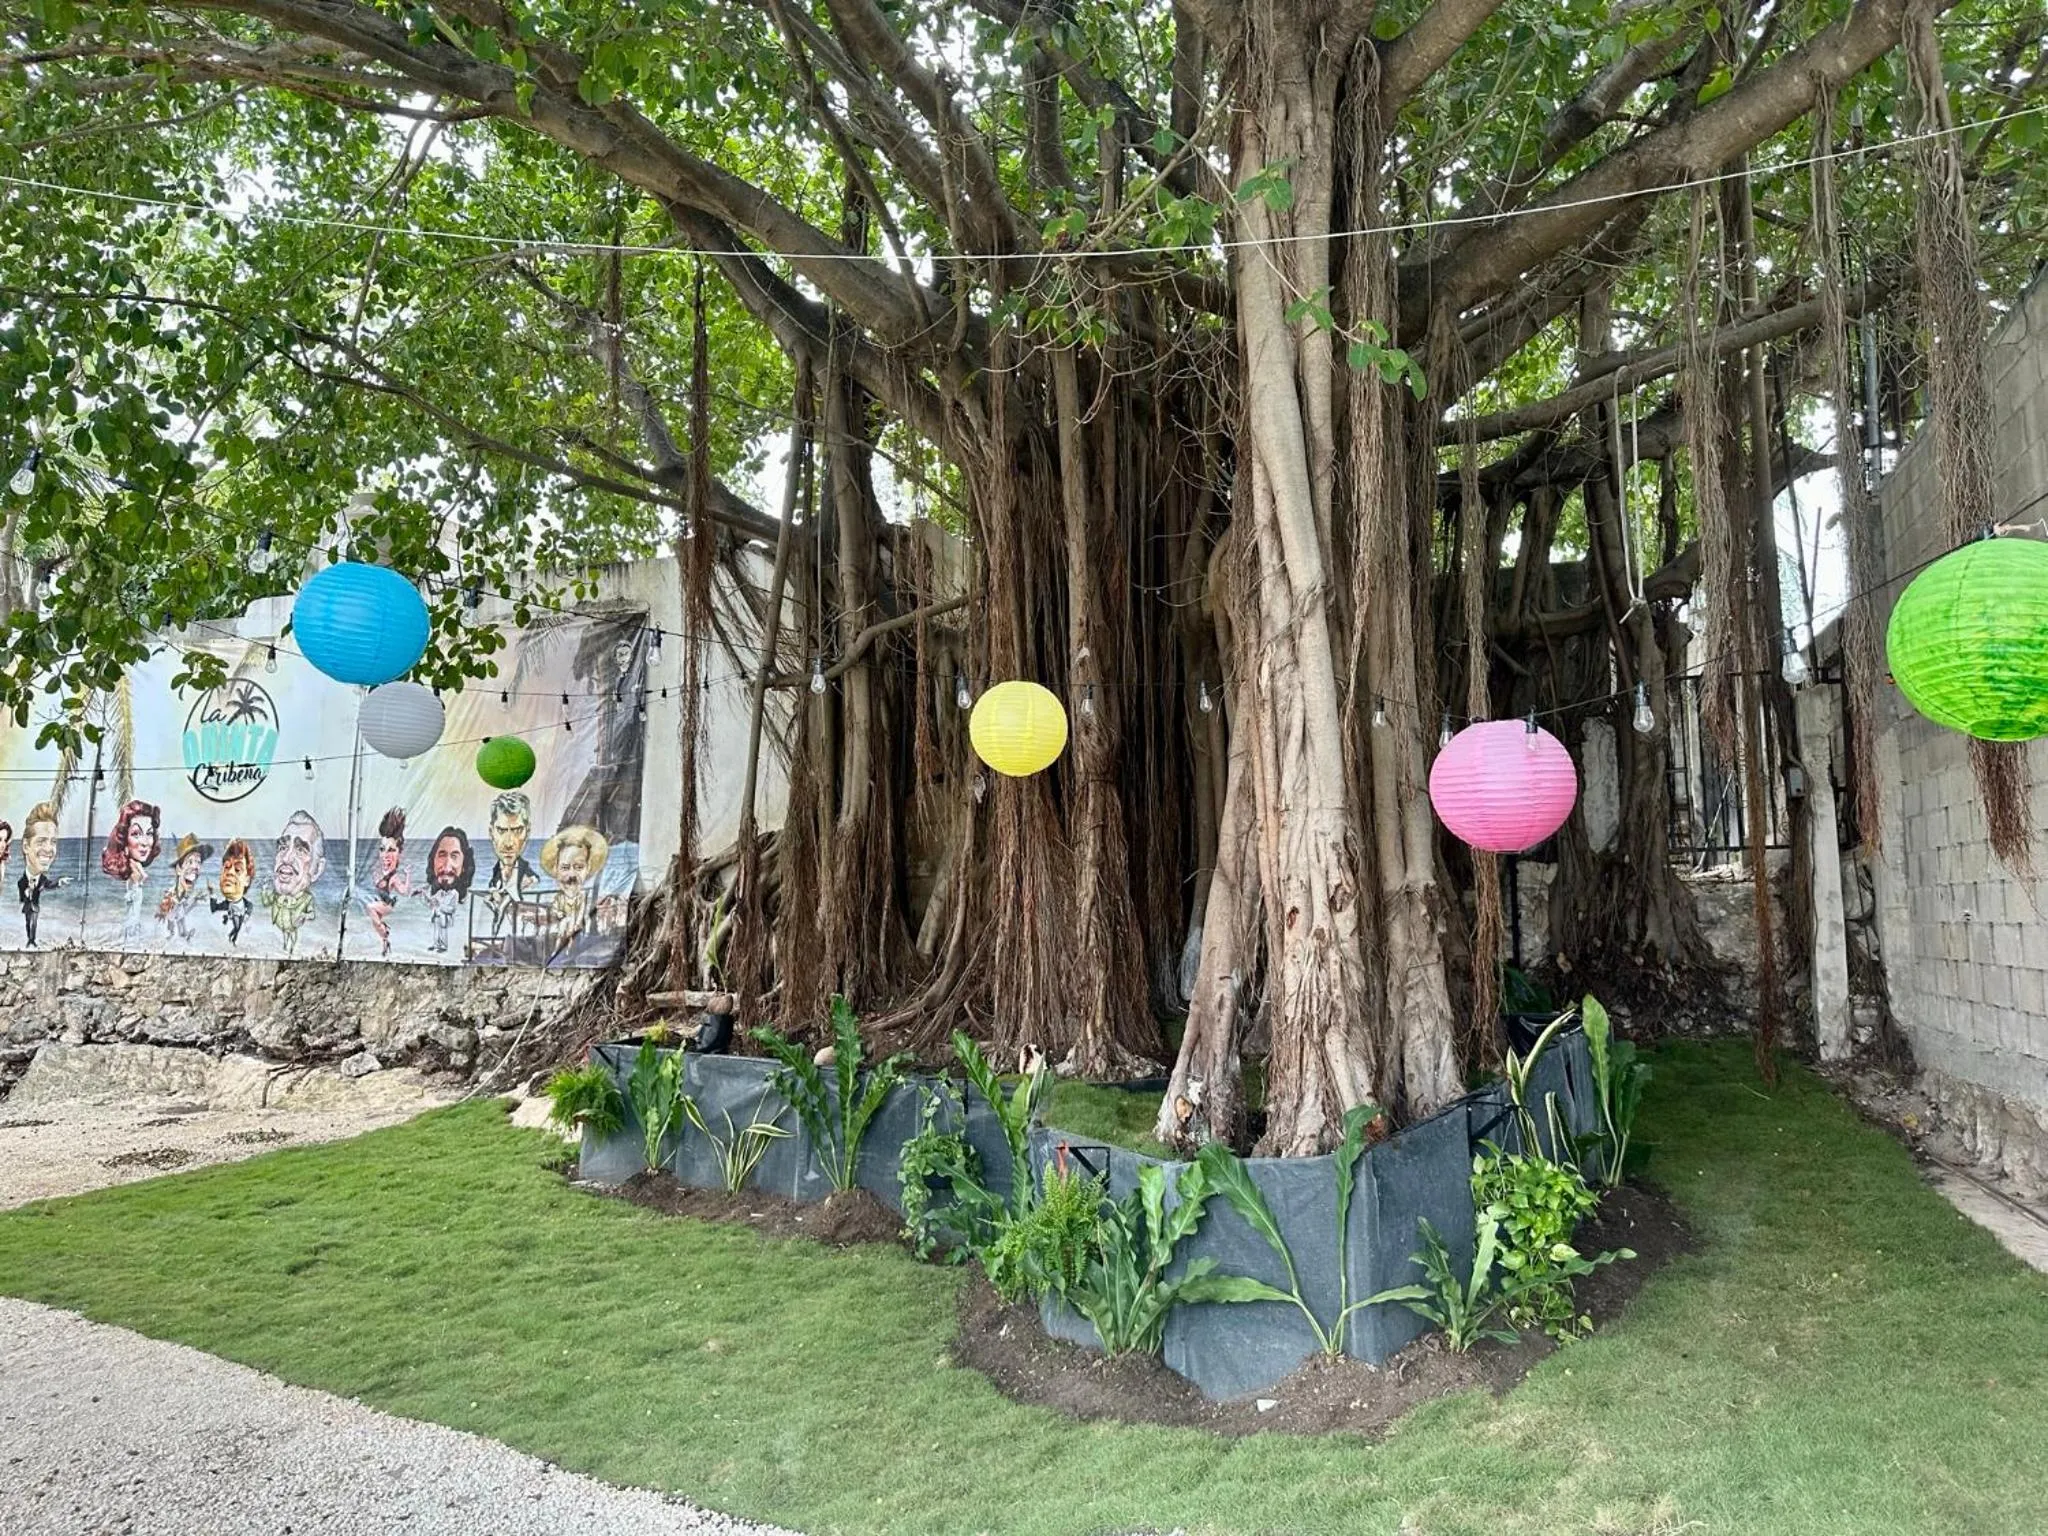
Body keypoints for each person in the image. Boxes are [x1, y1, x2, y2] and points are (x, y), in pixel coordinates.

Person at [262, 809, 324, 958]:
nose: (286, 858)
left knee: (292, 937)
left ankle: (291, 950)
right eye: (283, 847)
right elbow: (266, 902)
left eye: (301, 850)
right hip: (282, 928)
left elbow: (311, 914)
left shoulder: (307, 900)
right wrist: (264, 891)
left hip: (295, 929)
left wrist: (302, 916)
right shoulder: (277, 897)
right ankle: (285, 948)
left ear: (317, 870)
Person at [100, 800, 162, 945]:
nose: (145, 842)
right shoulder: (127, 876)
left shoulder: (137, 874)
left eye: (149, 834)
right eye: (136, 834)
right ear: (124, 840)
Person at [539, 824, 609, 950]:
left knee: (570, 929)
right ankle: (557, 952)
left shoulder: (582, 897)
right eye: (565, 868)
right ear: (557, 869)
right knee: (562, 929)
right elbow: (556, 909)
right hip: (562, 923)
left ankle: (566, 951)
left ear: (587, 868)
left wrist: (576, 922)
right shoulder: (560, 897)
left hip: (575, 925)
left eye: (579, 868)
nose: (572, 875)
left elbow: (583, 910)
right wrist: (559, 914)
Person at [482, 791, 537, 936]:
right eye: (501, 830)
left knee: (503, 913)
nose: (509, 843)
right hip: (504, 893)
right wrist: (495, 891)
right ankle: (497, 936)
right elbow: (493, 882)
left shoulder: (523, 865)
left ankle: (497, 936)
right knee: (489, 902)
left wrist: (523, 884)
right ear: (491, 833)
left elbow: (535, 878)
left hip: (512, 895)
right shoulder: (497, 867)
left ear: (528, 832)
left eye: (517, 830)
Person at [363, 807, 412, 958]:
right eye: (382, 849)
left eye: (391, 850)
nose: (385, 855)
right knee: (375, 922)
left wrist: (408, 875)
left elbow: (404, 891)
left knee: (370, 907)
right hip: (380, 904)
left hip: (387, 905)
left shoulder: (394, 877)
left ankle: (385, 930)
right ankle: (385, 942)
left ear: (399, 853)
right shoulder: (378, 872)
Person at [419, 826, 475, 955]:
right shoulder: (437, 893)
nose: (447, 865)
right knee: (437, 932)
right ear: (432, 861)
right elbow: (430, 901)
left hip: (445, 920)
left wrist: (440, 908)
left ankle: (442, 945)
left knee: (442, 933)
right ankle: (437, 944)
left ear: (465, 864)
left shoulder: (467, 900)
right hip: (438, 918)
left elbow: (450, 909)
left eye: (454, 856)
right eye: (442, 855)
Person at [18, 803, 65, 948]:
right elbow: (21, 892)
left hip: (35, 907)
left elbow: (48, 884)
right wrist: (26, 894)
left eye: (53, 842)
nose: (49, 849)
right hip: (28, 907)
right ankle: (29, 940)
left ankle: (32, 940)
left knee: (34, 923)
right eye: (41, 841)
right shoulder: (21, 880)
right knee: (28, 922)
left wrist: (59, 882)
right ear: (26, 846)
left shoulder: (42, 879)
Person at [155, 834, 212, 946]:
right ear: (179, 869)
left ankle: (183, 936)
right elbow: (166, 911)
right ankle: (175, 937)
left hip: (179, 910)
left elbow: (183, 911)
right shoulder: (172, 895)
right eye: (190, 862)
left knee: (181, 924)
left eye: (198, 862)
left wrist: (195, 900)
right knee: (173, 929)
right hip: (173, 914)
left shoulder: (184, 893)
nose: (196, 867)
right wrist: (163, 911)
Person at [210, 839, 255, 946]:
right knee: (237, 927)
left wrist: (247, 915)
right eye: (226, 867)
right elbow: (214, 908)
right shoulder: (228, 904)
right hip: (235, 914)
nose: (230, 872)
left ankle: (232, 939)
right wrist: (212, 893)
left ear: (247, 880)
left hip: (241, 913)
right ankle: (232, 940)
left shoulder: (245, 903)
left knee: (238, 927)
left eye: (238, 869)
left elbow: (250, 906)